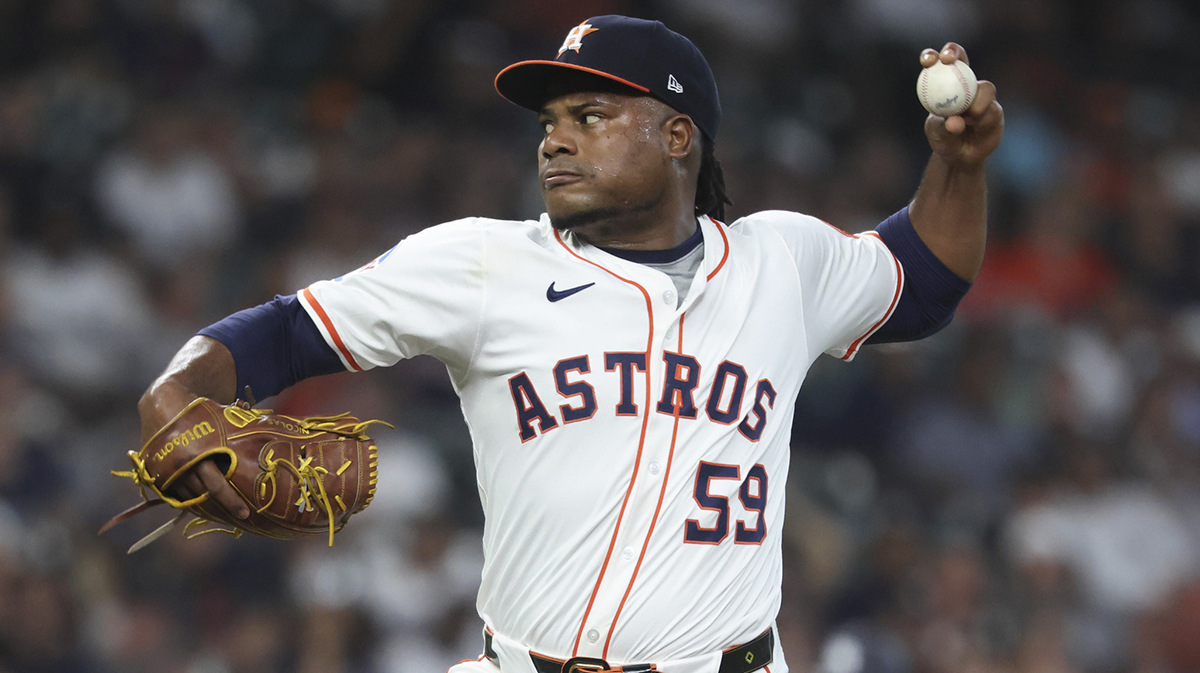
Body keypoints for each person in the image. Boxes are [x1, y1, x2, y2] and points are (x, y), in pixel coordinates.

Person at [136, 15, 1003, 673]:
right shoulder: (485, 262)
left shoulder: (783, 261)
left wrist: (958, 166)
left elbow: (921, 281)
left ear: (676, 136)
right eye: (550, 120)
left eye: (590, 114)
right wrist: (173, 392)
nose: (554, 137)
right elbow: (287, 329)